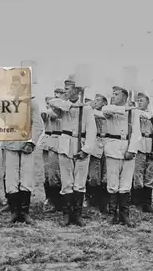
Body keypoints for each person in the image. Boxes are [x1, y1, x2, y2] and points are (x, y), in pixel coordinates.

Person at [48, 74, 97, 227]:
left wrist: (86, 149)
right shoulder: (63, 104)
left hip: (81, 143)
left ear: (76, 90)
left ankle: (77, 215)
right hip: (65, 144)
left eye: (68, 88)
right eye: (65, 88)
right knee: (66, 181)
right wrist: (73, 105)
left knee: (80, 183)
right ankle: (67, 214)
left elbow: (92, 130)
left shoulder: (87, 108)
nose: (65, 91)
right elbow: (51, 101)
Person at [94, 85, 141, 226]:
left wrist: (132, 149)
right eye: (112, 94)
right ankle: (112, 214)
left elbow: (137, 132)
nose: (113, 96)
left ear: (125, 97)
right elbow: (106, 110)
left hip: (127, 145)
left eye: (116, 94)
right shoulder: (109, 108)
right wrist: (127, 108)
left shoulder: (134, 113)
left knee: (125, 183)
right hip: (113, 147)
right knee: (112, 182)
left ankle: (124, 215)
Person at [1, 75, 44, 224]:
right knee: (11, 177)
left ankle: (25, 212)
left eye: (16, 85)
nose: (13, 87)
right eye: (12, 85)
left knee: (26, 177)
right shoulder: (6, 102)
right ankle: (14, 211)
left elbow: (38, 124)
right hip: (11, 141)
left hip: (26, 143)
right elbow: (2, 118)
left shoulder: (32, 103)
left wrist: (31, 143)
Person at [131, 91, 153, 214]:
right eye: (138, 100)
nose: (139, 102)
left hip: (150, 144)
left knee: (150, 175)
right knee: (138, 173)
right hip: (139, 146)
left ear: (148, 102)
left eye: (141, 100)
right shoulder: (136, 112)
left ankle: (147, 203)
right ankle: (137, 202)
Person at [40, 89, 64, 214]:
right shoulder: (48, 110)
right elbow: (44, 114)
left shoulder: (64, 110)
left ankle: (58, 202)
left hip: (58, 140)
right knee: (47, 174)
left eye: (59, 96)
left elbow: (55, 114)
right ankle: (49, 199)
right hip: (47, 140)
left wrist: (52, 104)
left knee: (56, 174)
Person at [88, 93, 109, 215]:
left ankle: (103, 204)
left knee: (105, 177)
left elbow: (104, 115)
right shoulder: (90, 112)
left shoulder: (108, 112)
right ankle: (91, 200)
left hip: (107, 142)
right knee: (94, 177)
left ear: (105, 103)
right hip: (95, 143)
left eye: (98, 100)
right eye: (94, 99)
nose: (95, 102)